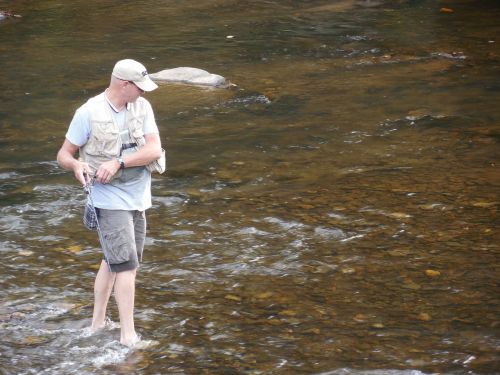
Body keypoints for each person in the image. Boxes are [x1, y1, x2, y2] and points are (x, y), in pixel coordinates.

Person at [57, 59, 163, 346]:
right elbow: (63, 154)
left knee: (114, 260)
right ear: (124, 85)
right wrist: (76, 165)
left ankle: (98, 322)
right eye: (139, 88)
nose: (144, 92)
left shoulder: (143, 108)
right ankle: (128, 335)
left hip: (139, 197)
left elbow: (153, 148)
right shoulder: (88, 112)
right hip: (107, 199)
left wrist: (119, 162)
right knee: (126, 265)